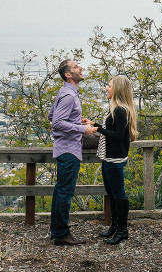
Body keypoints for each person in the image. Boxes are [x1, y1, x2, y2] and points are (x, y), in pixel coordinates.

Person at [83, 75, 138, 245]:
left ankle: (122, 230)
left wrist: (97, 128)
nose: (106, 88)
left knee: (119, 194)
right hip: (108, 157)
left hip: (114, 159)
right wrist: (94, 125)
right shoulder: (115, 109)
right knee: (112, 193)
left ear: (118, 90)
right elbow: (111, 130)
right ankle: (114, 227)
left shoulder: (120, 110)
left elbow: (118, 135)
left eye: (109, 86)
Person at [48, 59, 97, 246]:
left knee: (61, 191)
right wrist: (83, 129)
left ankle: (57, 231)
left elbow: (52, 115)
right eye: (76, 67)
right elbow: (57, 123)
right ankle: (61, 234)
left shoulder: (66, 92)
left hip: (66, 148)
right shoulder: (69, 95)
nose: (81, 68)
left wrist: (78, 122)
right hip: (69, 149)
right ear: (68, 74)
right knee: (65, 193)